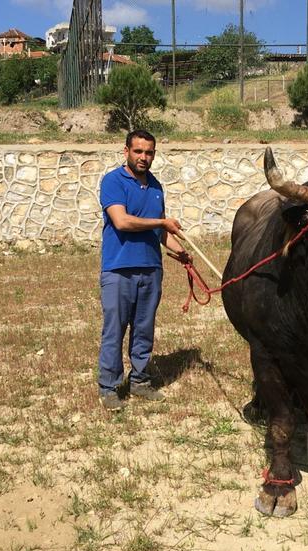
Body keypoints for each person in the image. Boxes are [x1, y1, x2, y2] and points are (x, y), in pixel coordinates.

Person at [97, 130, 190, 411]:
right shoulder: (113, 181)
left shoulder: (156, 186)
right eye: (138, 151)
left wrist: (179, 251)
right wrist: (161, 224)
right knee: (115, 330)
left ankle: (140, 381)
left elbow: (161, 233)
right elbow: (122, 222)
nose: (144, 157)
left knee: (144, 329)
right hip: (118, 270)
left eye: (149, 152)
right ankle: (109, 387)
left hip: (151, 269)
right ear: (126, 151)